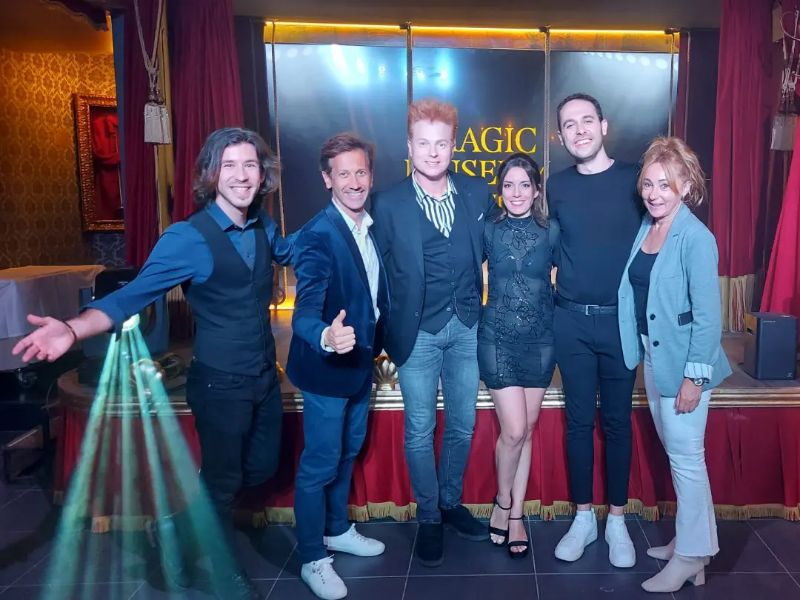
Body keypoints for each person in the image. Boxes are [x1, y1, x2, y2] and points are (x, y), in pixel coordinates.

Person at [12, 127, 294, 600]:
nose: (242, 176)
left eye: (250, 165)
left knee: (262, 469)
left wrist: (344, 216)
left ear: (262, 174)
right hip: (220, 383)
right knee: (223, 483)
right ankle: (221, 572)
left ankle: (173, 525)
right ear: (211, 174)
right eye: (229, 165)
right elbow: (131, 296)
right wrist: (73, 329)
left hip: (265, 377)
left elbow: (290, 251)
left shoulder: (263, 225)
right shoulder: (188, 238)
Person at [371, 98, 493, 567]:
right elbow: (375, 272)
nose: (433, 152)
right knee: (420, 430)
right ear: (409, 146)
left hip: (466, 328)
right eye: (424, 143)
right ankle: (428, 517)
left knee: (462, 424)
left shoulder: (477, 194)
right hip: (416, 333)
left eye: (441, 144)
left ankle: (450, 502)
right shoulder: (388, 203)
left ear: (453, 146)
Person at [617, 136, 731, 592]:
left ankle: (690, 557)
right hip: (654, 357)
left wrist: (693, 379)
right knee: (681, 458)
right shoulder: (649, 225)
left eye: (665, 184)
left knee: (686, 460)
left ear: (686, 185)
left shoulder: (696, 238)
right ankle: (692, 546)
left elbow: (708, 318)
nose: (654, 193)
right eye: (648, 184)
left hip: (686, 367)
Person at [287, 132, 389, 600]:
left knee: (347, 452)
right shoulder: (317, 235)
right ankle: (313, 556)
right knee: (319, 464)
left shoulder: (370, 224)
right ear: (327, 179)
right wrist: (326, 335)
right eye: (343, 174)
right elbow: (304, 311)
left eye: (360, 172)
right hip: (326, 369)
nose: (354, 181)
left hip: (360, 364)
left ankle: (337, 529)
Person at [547, 93, 643, 568]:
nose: (579, 130)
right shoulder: (557, 186)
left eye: (587, 120)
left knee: (618, 422)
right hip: (571, 321)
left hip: (619, 322)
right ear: (560, 135)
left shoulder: (634, 180)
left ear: (604, 126)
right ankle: (583, 517)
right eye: (569, 124)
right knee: (578, 421)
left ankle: (617, 520)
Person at [480, 153, 558, 559]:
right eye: (508, 185)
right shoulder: (488, 230)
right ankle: (502, 499)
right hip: (497, 339)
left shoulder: (551, 231)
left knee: (526, 430)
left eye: (524, 185)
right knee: (512, 430)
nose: (516, 193)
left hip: (541, 341)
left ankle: (515, 516)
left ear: (536, 189)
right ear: (500, 190)